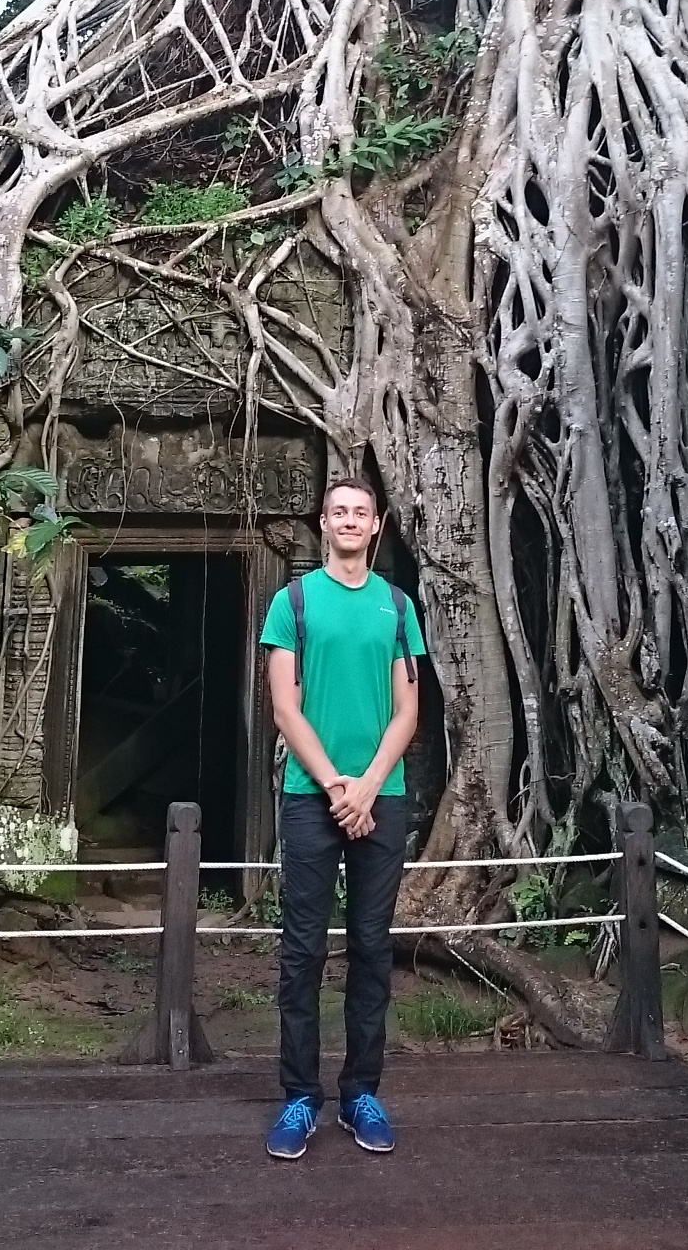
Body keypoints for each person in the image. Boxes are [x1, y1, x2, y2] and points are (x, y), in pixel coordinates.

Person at [258, 475, 426, 1160]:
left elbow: (409, 710)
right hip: (311, 795)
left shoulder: (396, 605)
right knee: (301, 951)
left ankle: (361, 1092)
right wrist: (335, 787)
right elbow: (284, 708)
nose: (350, 521)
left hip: (381, 798)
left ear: (376, 524)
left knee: (370, 947)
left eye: (360, 512)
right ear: (322, 524)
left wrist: (369, 787)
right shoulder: (292, 601)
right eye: (338, 512)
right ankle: (300, 1097)